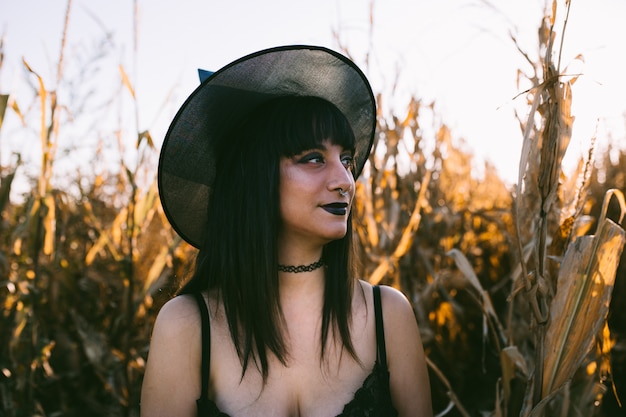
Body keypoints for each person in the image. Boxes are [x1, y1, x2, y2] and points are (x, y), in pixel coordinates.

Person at [140, 45, 432, 417]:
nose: (345, 180)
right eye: (313, 158)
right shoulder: (187, 327)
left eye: (346, 159)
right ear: (254, 179)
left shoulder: (387, 315)